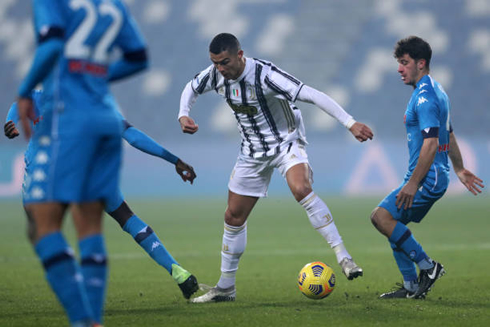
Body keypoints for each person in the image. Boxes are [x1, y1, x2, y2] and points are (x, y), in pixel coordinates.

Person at [178, 33, 374, 303]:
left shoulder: (265, 75)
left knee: (301, 188)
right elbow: (191, 87)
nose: (220, 69)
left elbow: (312, 95)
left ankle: (344, 257)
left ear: (240, 55)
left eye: (224, 62)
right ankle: (225, 288)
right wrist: (183, 113)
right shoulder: (216, 74)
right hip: (252, 152)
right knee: (233, 216)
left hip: (286, 144)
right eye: (215, 63)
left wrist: (350, 122)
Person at [16, 1, 149, 325]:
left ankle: (82, 318)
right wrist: (98, 75)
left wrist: (23, 92)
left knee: (41, 225)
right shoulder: (112, 4)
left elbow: (51, 46)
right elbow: (138, 58)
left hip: (69, 121)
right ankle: (92, 319)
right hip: (106, 119)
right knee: (89, 225)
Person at [4, 91, 199, 300]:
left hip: (49, 172)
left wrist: (10, 123)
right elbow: (132, 135)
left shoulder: (45, 95)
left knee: (42, 228)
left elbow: (20, 104)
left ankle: (73, 282)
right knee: (125, 216)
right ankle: (177, 271)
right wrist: (174, 160)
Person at [371, 36, 484, 300]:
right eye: (399, 63)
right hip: (432, 175)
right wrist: (459, 168)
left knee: (381, 217)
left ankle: (428, 267)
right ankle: (411, 287)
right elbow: (450, 133)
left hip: (427, 177)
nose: (400, 68)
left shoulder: (425, 97)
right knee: (392, 222)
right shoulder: (436, 90)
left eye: (404, 62)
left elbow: (431, 144)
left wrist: (413, 183)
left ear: (421, 63)